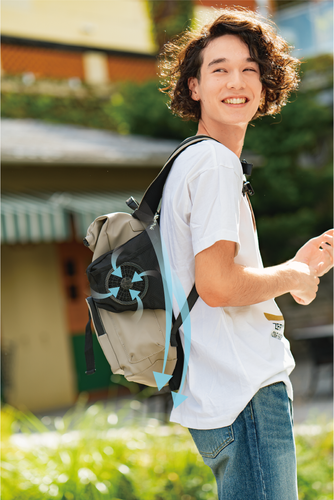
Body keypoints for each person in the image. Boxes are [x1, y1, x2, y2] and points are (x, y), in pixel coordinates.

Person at [158, 7, 333, 500]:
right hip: (245, 394)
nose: (237, 81)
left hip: (223, 393)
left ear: (265, 82)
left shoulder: (195, 161)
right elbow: (216, 286)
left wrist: (290, 272)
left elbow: (220, 280)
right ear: (193, 86)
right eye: (219, 69)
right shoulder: (215, 164)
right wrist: (294, 274)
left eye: (250, 69)